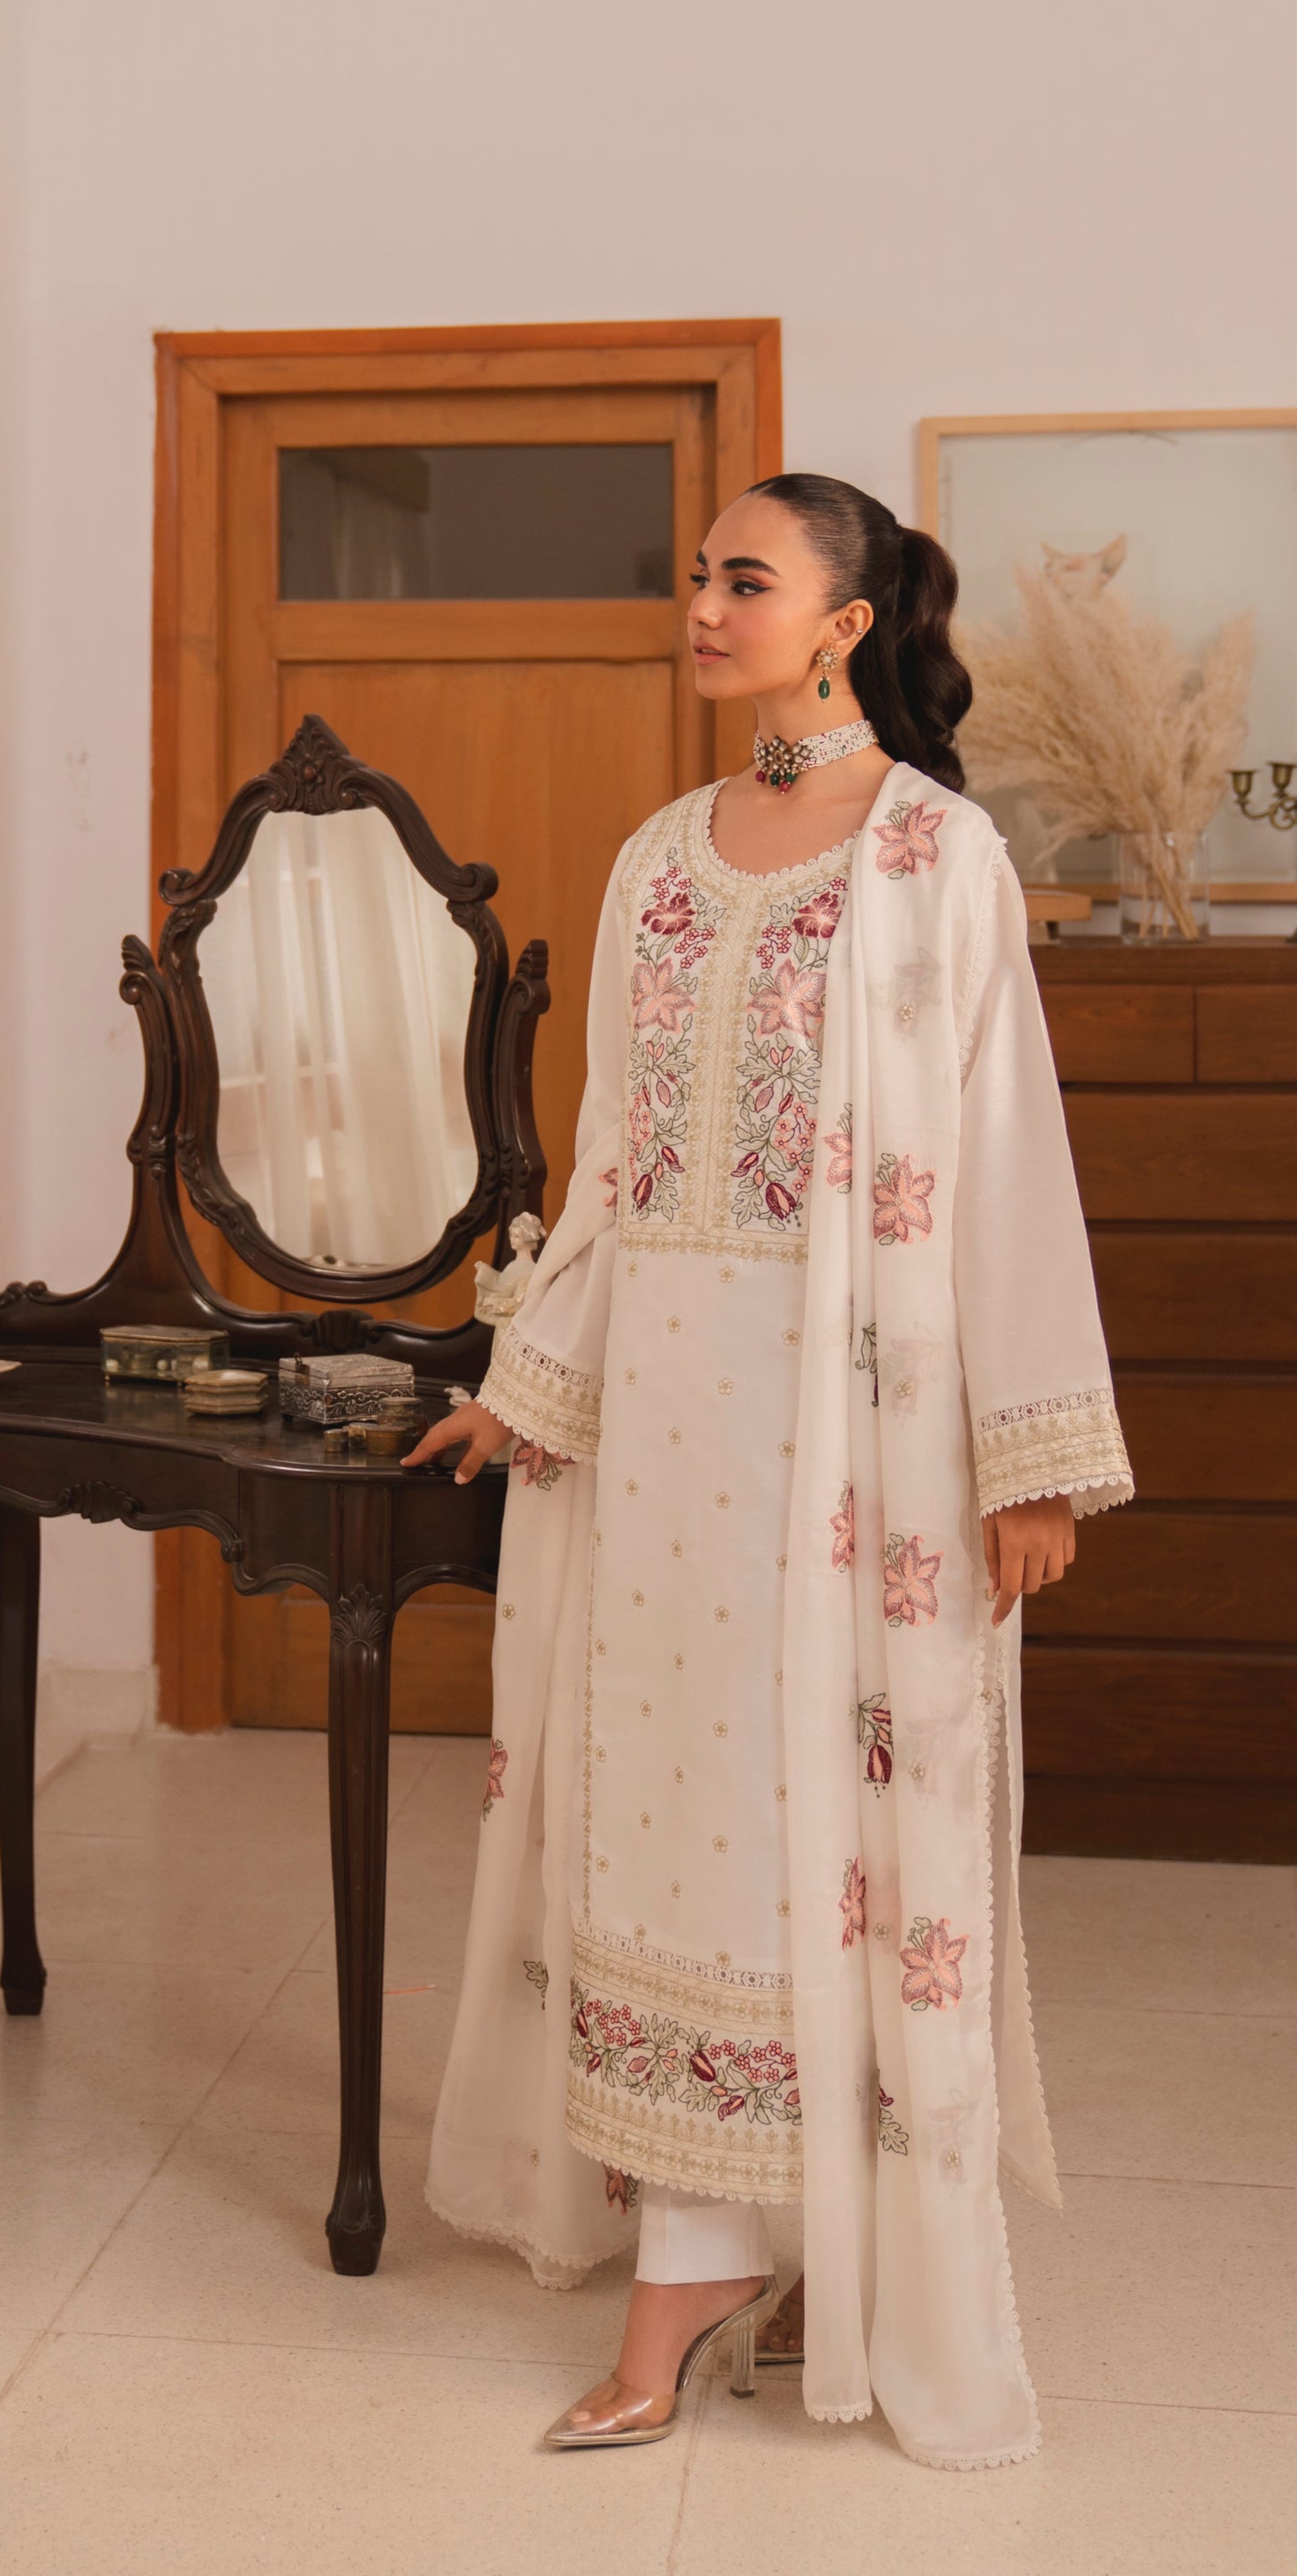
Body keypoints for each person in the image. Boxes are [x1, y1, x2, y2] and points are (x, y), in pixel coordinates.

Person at [407, 474, 1132, 2471]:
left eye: (745, 578)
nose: (702, 606)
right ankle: (705, 2241)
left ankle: (776, 2244)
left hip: (862, 1428)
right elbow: (614, 1157)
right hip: (662, 1433)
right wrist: (529, 1379)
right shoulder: (659, 854)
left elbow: (1002, 1149)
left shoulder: (935, 855)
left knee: (825, 1827)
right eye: (698, 577)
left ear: (844, 621)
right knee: (673, 1825)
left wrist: (1028, 1455)